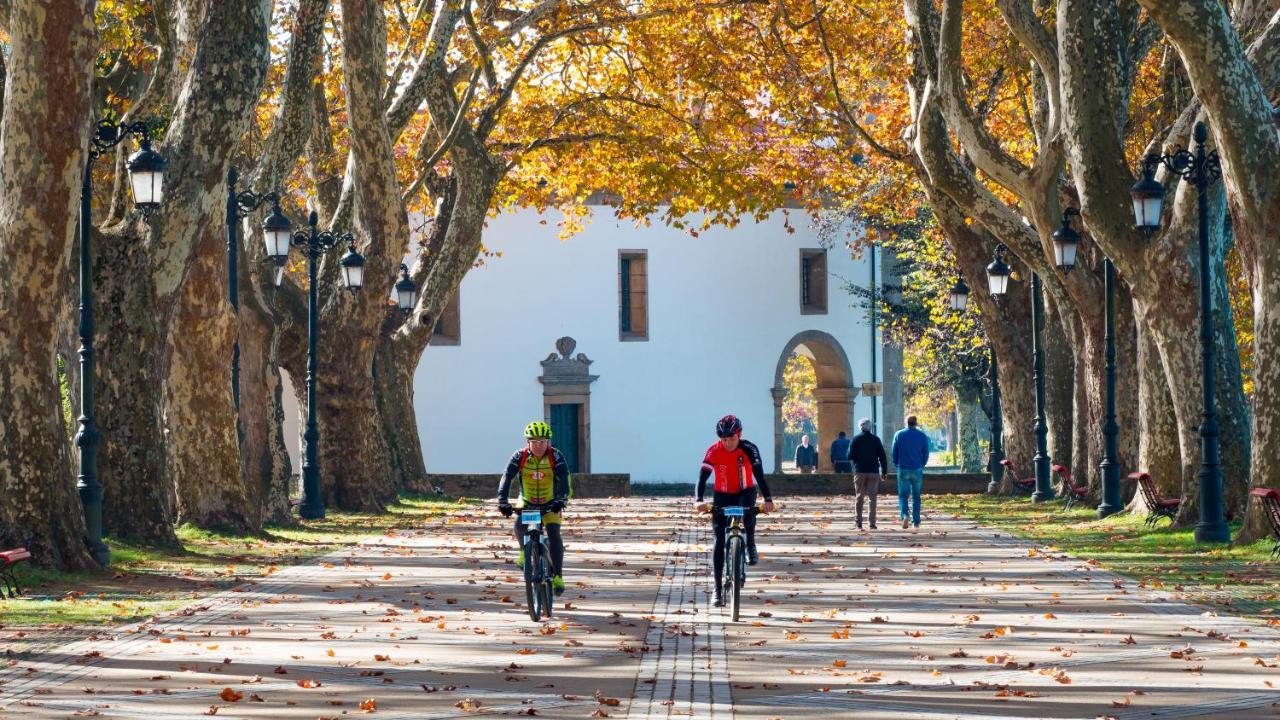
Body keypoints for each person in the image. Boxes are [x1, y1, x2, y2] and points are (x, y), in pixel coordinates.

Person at [695, 414, 775, 607]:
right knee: (718, 541)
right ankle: (717, 589)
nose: (728, 443)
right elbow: (702, 478)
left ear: (739, 435)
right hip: (721, 494)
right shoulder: (713, 451)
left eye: (731, 439)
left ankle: (750, 545)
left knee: (749, 513)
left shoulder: (749, 449)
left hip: (745, 491)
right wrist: (698, 499)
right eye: (724, 440)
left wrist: (768, 499)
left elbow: (760, 476)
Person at [497, 421, 571, 595]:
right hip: (529, 501)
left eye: (543, 441)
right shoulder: (519, 457)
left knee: (553, 534)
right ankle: (524, 552)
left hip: (550, 503)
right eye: (535, 442)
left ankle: (558, 576)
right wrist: (502, 500)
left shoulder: (556, 456)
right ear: (528, 442)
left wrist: (562, 499)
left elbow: (564, 479)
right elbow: (507, 477)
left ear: (548, 442)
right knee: (519, 525)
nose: (539, 445)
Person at [891, 415, 931, 529]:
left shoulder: (899, 434)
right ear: (916, 423)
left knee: (903, 495)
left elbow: (894, 452)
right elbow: (926, 453)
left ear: (906, 422)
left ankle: (904, 515)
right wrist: (922, 464)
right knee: (916, 496)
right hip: (917, 468)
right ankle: (916, 521)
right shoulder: (922, 435)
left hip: (903, 468)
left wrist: (897, 464)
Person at [849, 418, 888, 530]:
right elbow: (882, 456)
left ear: (860, 427)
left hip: (860, 471)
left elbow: (849, 456)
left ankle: (858, 522)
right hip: (873, 472)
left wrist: (857, 460)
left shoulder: (855, 439)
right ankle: (872, 523)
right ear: (870, 427)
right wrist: (884, 471)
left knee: (859, 497)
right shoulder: (876, 439)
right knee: (872, 498)